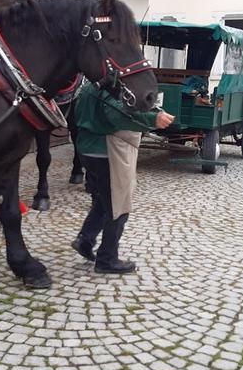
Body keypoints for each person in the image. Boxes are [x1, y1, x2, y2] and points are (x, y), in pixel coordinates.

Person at [72, 82, 174, 274]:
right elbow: (117, 115)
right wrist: (153, 119)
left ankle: (85, 239)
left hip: (87, 150)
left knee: (104, 200)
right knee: (119, 204)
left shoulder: (88, 85)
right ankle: (107, 259)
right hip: (107, 151)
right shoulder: (112, 87)